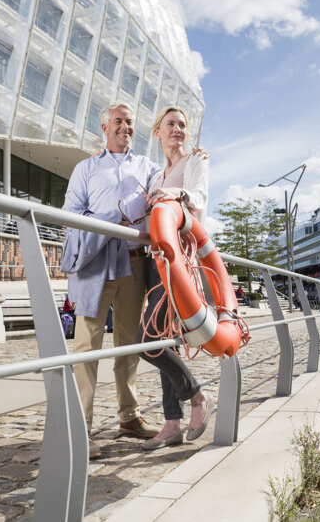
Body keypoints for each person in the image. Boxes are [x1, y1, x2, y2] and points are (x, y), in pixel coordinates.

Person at [61, 103, 163, 458]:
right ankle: (80, 429)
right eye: (118, 121)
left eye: (130, 122)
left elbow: (168, 192)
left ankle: (129, 417)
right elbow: (70, 214)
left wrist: (194, 157)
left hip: (133, 265)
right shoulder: (85, 168)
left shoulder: (148, 168)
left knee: (129, 345)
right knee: (86, 347)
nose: (125, 127)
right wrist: (111, 217)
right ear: (104, 127)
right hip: (95, 264)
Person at [136, 106, 213, 450]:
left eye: (182, 124)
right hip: (156, 262)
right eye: (171, 124)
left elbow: (199, 197)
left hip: (180, 260)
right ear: (158, 132)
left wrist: (176, 196)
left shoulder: (195, 161)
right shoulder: (155, 176)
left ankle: (196, 395)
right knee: (164, 339)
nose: (178, 129)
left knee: (149, 340)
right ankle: (171, 423)